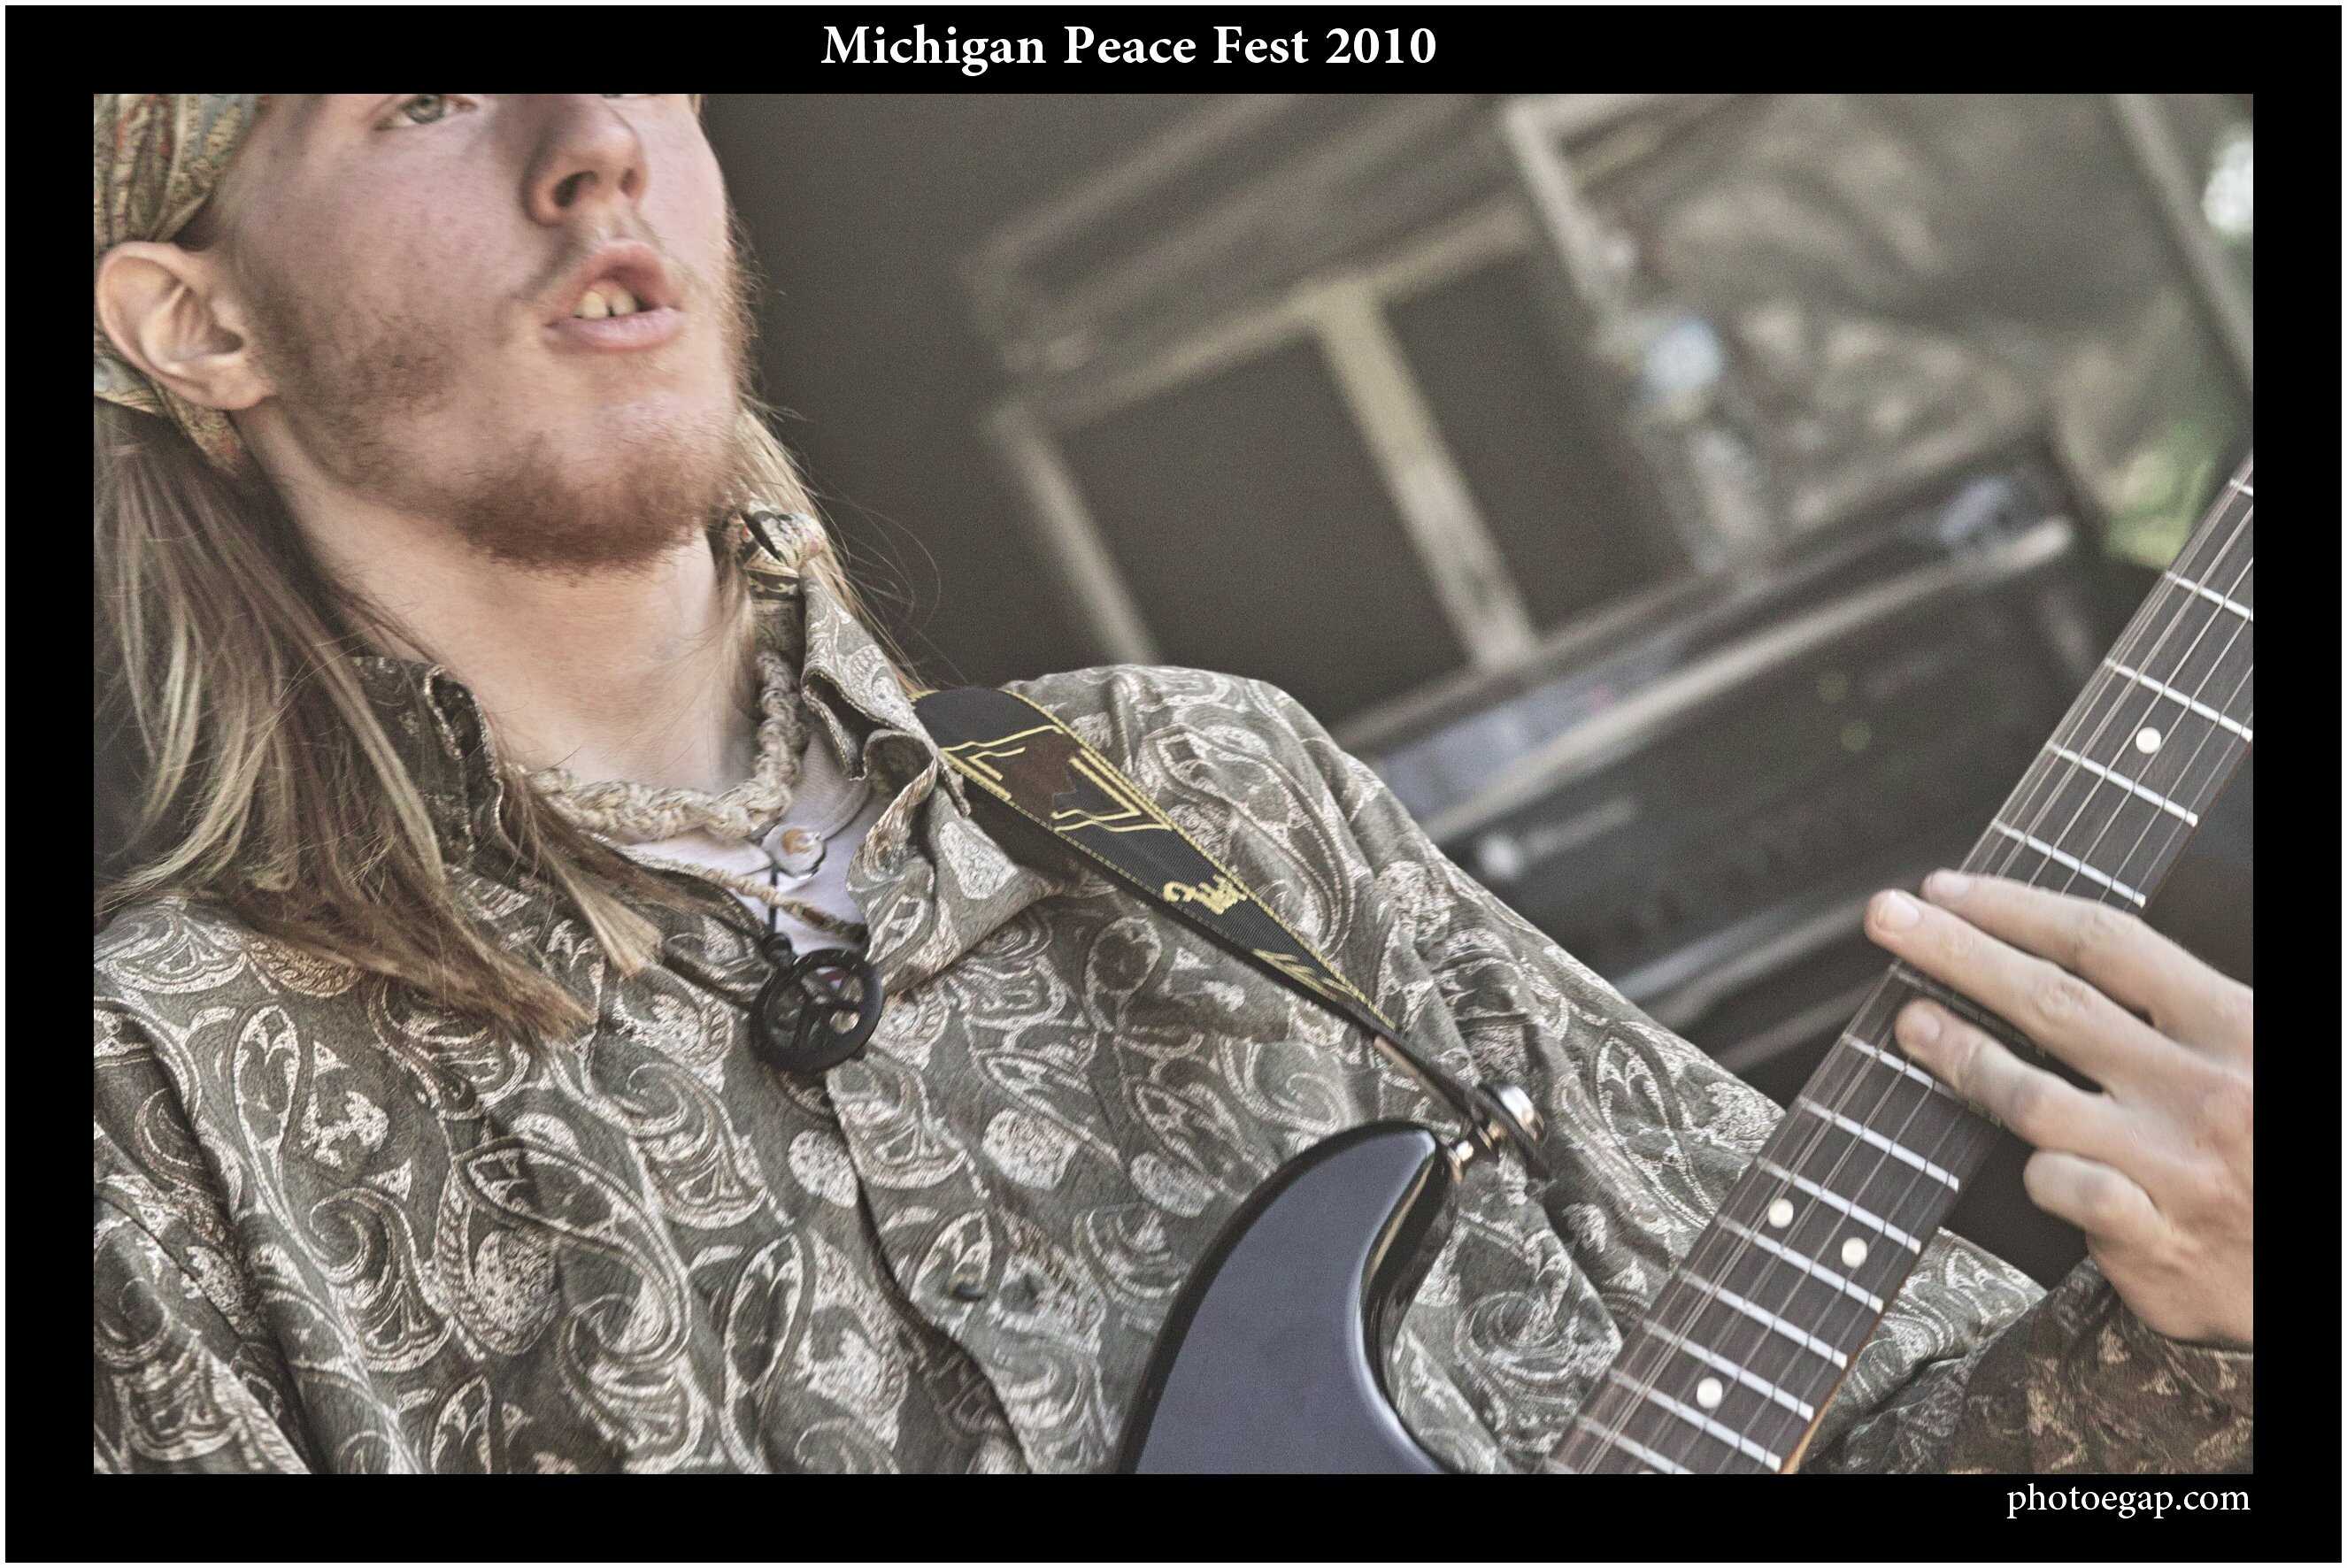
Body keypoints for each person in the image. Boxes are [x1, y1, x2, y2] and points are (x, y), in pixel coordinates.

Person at [92, 94, 2251, 1475]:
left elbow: (1877, 1434)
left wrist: (2213, 1323)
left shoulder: (1203, 785)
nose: (595, 145)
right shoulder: (156, 1101)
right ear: (198, 324)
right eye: (427, 93)